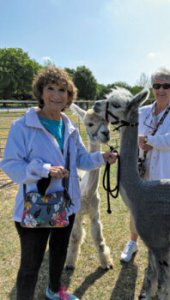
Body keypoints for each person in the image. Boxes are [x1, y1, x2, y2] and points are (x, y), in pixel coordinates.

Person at [0, 67, 117, 300]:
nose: (56, 95)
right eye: (50, 89)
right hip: (36, 205)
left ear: (69, 96)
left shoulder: (70, 128)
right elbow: (11, 165)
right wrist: (45, 170)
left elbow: (81, 159)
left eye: (62, 90)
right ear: (41, 92)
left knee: (59, 253)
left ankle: (54, 291)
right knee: (30, 265)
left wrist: (101, 158)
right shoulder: (22, 127)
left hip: (66, 202)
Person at [120, 67, 170, 263]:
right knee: (136, 209)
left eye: (166, 85)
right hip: (142, 170)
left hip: (167, 173)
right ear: (152, 89)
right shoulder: (141, 112)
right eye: (157, 85)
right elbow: (128, 134)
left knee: (163, 214)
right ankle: (132, 243)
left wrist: (148, 140)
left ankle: (160, 248)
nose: (161, 90)